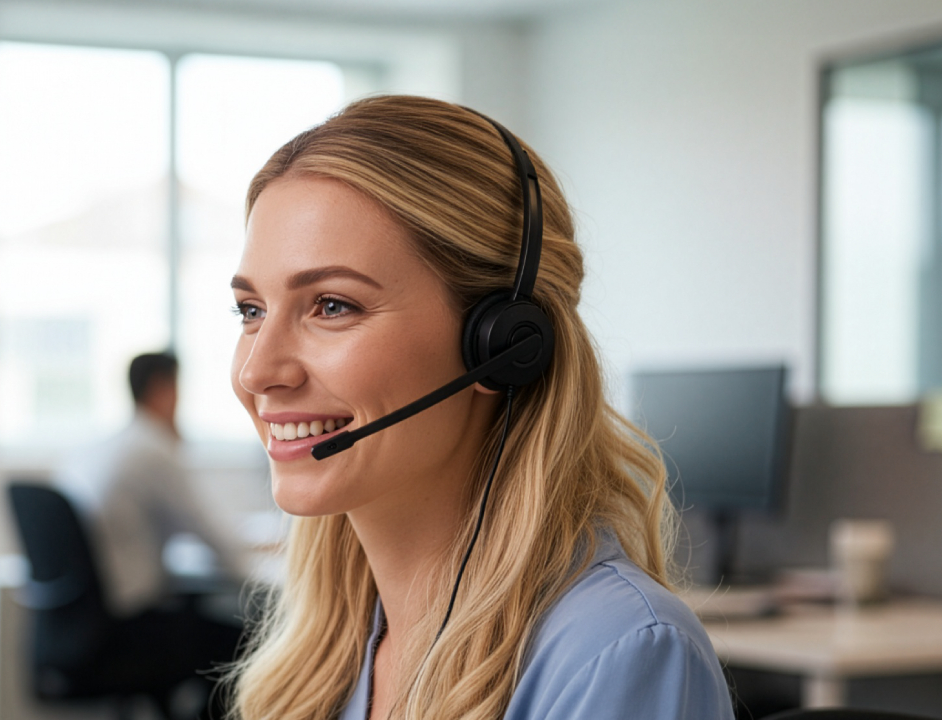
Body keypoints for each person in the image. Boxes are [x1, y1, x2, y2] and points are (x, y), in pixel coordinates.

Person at [228, 96, 730, 719]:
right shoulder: (326, 658)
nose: (257, 371)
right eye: (251, 311)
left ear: (502, 344)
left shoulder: (620, 654)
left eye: (332, 305)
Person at [52, 352, 249, 714]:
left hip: (81, 629)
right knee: (249, 643)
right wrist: (254, 574)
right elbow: (210, 534)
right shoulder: (151, 449)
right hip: (129, 628)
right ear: (163, 390)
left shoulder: (98, 448)